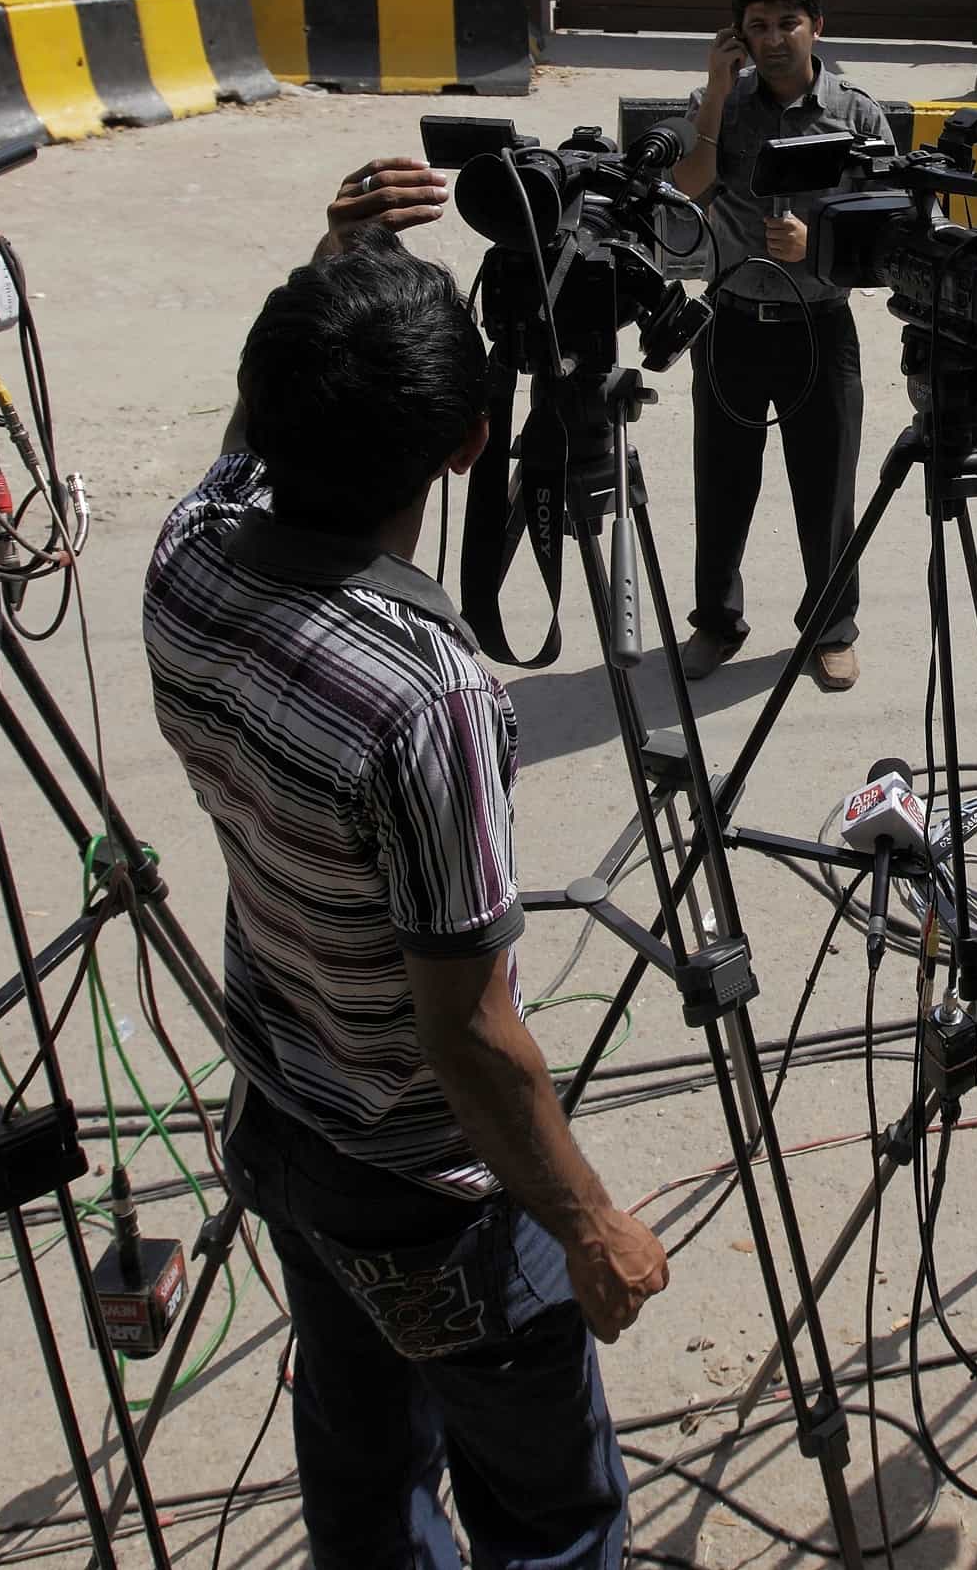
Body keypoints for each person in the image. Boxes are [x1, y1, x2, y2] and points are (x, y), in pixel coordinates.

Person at [148, 163, 671, 1569]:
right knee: (549, 1512)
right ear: (463, 449)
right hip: (420, 1189)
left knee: (361, 1460)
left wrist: (336, 269)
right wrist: (588, 1221)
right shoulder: (422, 697)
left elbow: (253, 432)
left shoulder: (188, 558)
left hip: (283, 1115)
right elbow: (467, 1030)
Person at [666, 0, 888, 693]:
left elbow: (888, 232)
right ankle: (716, 623)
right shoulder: (719, 103)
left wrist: (816, 248)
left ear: (816, 27)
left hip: (818, 328)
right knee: (722, 482)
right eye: (756, 26)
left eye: (787, 22)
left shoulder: (855, 113)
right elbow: (685, 188)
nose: (773, 38)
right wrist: (714, 95)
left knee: (825, 489)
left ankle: (829, 626)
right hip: (729, 324)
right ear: (738, 34)